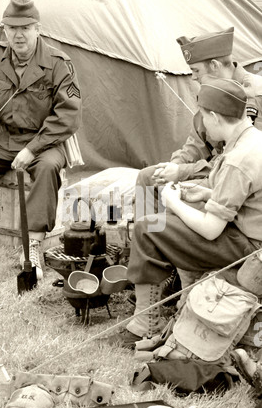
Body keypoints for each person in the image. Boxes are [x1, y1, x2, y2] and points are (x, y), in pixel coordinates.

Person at [107, 76, 262, 348]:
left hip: (250, 249)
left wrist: (172, 201)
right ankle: (180, 295)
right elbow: (247, 198)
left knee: (148, 228)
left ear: (214, 116)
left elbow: (211, 229)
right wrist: (206, 194)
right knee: (168, 218)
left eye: (203, 116)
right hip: (250, 234)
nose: (202, 124)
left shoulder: (238, 158)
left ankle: (147, 322)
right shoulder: (253, 140)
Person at [0, 0, 82, 278]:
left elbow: (68, 116)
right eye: (12, 28)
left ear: (37, 29)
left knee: (49, 167)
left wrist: (32, 149)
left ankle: (33, 245)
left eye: (25, 28)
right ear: (4, 30)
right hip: (4, 138)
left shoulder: (58, 63)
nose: (18, 35)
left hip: (45, 141)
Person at [135, 27, 262, 221]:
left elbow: (242, 165)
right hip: (217, 173)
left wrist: (183, 172)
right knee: (149, 177)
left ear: (214, 65)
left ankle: (161, 236)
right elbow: (196, 142)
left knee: (178, 200)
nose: (193, 77)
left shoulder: (255, 94)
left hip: (239, 184)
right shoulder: (212, 91)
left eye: (196, 70)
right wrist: (174, 166)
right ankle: (146, 233)